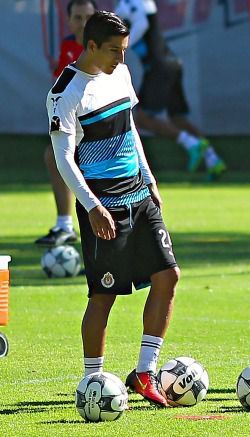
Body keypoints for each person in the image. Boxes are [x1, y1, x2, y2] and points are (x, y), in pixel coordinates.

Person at [46, 11, 180, 407]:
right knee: (103, 296)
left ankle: (144, 372)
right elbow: (64, 158)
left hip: (139, 196)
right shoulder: (65, 92)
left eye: (124, 51)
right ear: (90, 46)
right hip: (104, 206)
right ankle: (92, 383)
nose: (121, 60)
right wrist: (91, 207)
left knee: (168, 276)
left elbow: (130, 127)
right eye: (113, 51)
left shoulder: (119, 75)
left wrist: (149, 177)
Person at [114, 0, 226, 180]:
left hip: (159, 67)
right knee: (177, 118)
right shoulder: (122, 8)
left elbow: (143, 24)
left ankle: (192, 144)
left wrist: (122, 46)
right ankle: (214, 160)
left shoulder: (140, 3)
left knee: (142, 118)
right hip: (171, 64)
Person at [35, 0, 97, 247]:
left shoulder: (103, 48)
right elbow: (62, 89)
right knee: (54, 156)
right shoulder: (69, 46)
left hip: (101, 121)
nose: (83, 23)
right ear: (69, 21)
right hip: (78, 121)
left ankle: (107, 236)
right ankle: (65, 225)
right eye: (78, 17)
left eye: (89, 17)